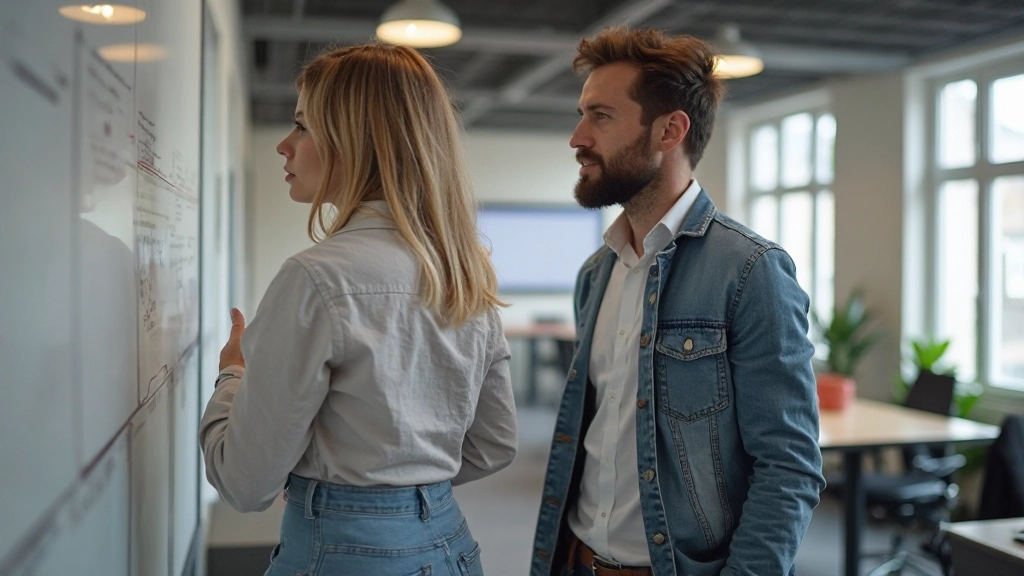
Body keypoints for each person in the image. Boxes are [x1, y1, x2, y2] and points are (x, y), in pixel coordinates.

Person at [200, 42, 517, 576]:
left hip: (344, 554)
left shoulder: (315, 277)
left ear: (356, 143)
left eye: (302, 126)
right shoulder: (463, 273)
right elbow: (495, 442)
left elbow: (245, 483)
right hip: (449, 546)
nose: (284, 145)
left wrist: (232, 374)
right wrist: (398, 490)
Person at [530, 27, 826, 576]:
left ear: (670, 130)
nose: (577, 137)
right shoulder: (596, 274)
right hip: (575, 558)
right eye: (581, 114)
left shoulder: (750, 271)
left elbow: (789, 466)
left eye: (600, 116)